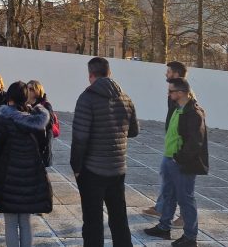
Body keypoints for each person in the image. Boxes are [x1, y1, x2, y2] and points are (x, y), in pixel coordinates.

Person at [71, 57, 139, 247]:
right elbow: (134, 131)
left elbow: (80, 138)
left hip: (93, 169)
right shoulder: (125, 97)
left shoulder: (87, 98)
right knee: (119, 219)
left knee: (93, 222)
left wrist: (76, 167)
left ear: (91, 75)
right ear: (109, 73)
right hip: (118, 168)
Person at [142, 78, 208, 247]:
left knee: (186, 199)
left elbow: (196, 142)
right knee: (168, 195)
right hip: (169, 158)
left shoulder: (194, 113)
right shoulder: (177, 109)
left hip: (183, 163)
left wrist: (179, 158)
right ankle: (164, 228)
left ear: (180, 93)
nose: (168, 94)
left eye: (171, 91)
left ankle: (190, 238)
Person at [0, 82, 53, 247]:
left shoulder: (4, 119)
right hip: (31, 174)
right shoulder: (37, 120)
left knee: (10, 222)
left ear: (9, 97)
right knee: (25, 220)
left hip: (8, 175)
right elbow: (43, 145)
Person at [143, 61, 189, 228]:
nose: (166, 74)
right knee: (167, 178)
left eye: (168, 72)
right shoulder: (174, 93)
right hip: (171, 145)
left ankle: (184, 217)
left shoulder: (185, 96)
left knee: (181, 186)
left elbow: (189, 127)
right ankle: (161, 208)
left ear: (176, 74)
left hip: (178, 149)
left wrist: (181, 152)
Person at [26, 80, 59, 167]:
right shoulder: (25, 104)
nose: (28, 91)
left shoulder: (46, 105)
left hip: (41, 145)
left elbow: (49, 124)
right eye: (27, 88)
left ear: (37, 90)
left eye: (31, 89)